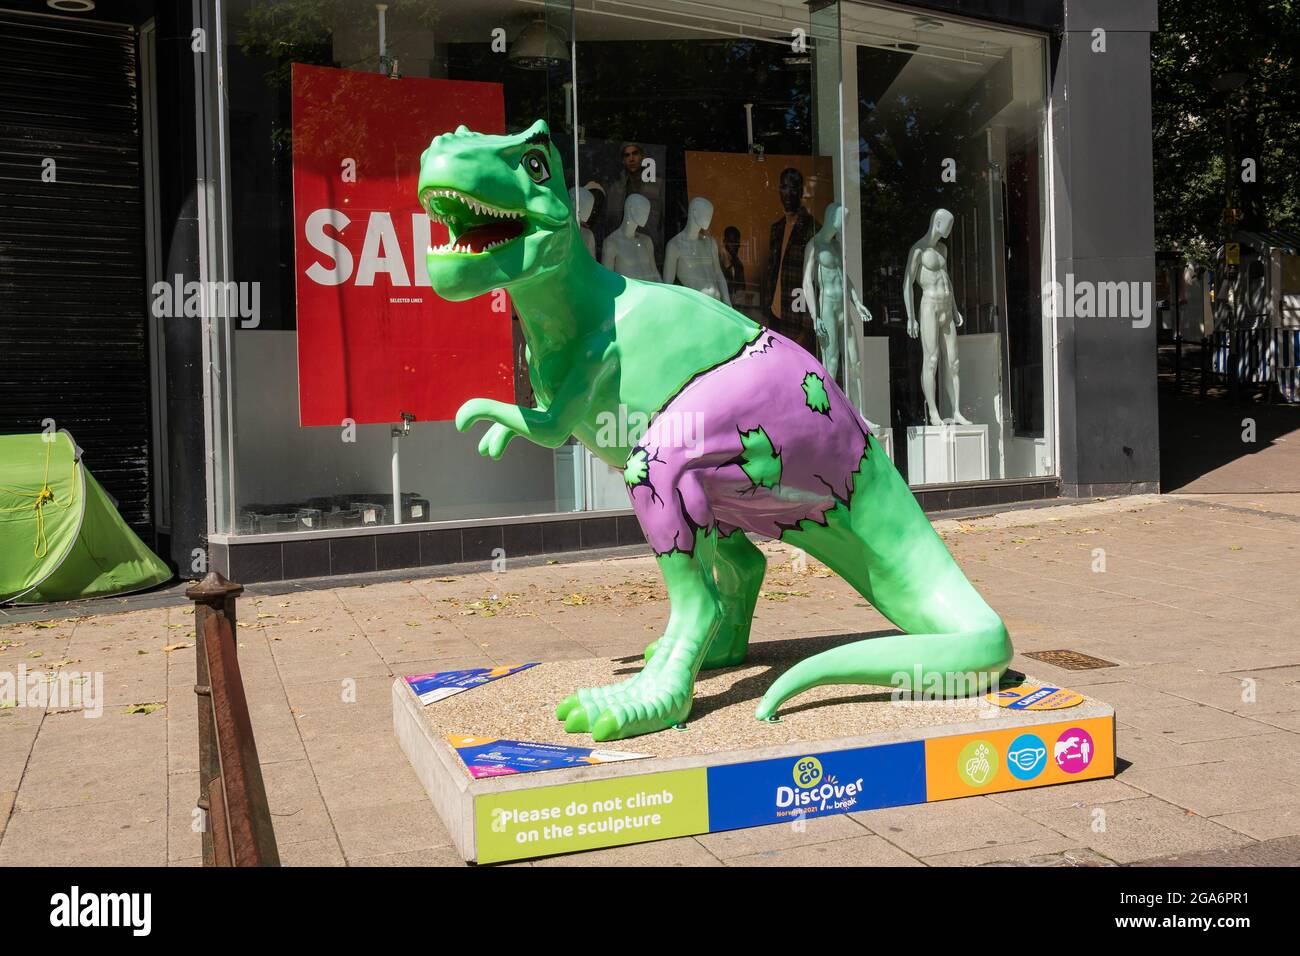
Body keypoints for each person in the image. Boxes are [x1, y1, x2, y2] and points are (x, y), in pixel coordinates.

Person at [765, 167, 818, 352]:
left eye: (793, 187)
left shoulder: (811, 228)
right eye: (784, 187)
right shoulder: (776, 228)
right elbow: (773, 270)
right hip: (774, 314)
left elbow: (816, 282)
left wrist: (807, 327)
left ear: (801, 191)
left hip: (796, 319)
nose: (788, 193)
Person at [603, 142, 662, 249]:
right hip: (622, 246)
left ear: (642, 156)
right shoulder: (615, 189)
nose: (631, 158)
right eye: (627, 155)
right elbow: (611, 220)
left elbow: (664, 218)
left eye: (635, 153)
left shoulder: (657, 185)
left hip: (650, 243)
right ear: (623, 160)